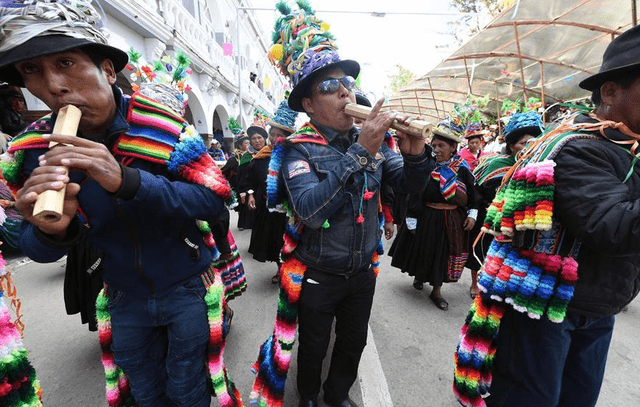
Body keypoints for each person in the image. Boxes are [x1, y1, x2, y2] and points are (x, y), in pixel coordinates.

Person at [0, 1, 241, 406]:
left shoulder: (165, 129)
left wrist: (127, 181)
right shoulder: (29, 151)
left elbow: (215, 202)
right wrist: (51, 230)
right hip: (120, 294)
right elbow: (35, 249)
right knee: (144, 392)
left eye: (66, 62)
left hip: (185, 287)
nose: (53, 85)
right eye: (32, 71)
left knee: (188, 389)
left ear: (108, 70)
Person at [250, 5, 435, 407]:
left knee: (353, 342)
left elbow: (409, 187)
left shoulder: (380, 143)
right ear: (309, 106)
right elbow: (312, 211)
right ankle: (309, 396)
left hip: (363, 270)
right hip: (318, 271)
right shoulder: (298, 149)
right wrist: (361, 152)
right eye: (330, 86)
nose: (345, 92)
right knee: (314, 345)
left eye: (347, 83)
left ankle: (337, 396)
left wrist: (418, 152)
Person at [454, 24, 640, 407]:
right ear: (609, 91)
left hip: (597, 309)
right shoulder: (580, 148)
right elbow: (616, 228)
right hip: (546, 310)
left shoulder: (629, 150)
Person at [390, 123, 480, 311]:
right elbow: (415, 192)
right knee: (425, 250)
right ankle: (420, 276)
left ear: (453, 148)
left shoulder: (461, 169)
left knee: (444, 255)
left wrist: (472, 214)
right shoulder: (426, 166)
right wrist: (412, 217)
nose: (436, 149)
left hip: (452, 219)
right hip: (427, 216)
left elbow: (473, 194)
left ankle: (436, 291)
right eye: (434, 145)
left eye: (442, 146)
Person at [466, 111, 544, 298]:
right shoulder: (496, 164)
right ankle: (475, 283)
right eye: (523, 143)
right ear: (511, 146)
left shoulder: (540, 168)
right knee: (480, 250)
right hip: (488, 216)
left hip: (517, 223)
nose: (528, 147)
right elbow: (476, 190)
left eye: (533, 143)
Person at [246, 100, 297, 283]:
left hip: (290, 207)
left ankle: (291, 268)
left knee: (290, 240)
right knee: (275, 240)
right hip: (270, 208)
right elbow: (252, 180)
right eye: (272, 135)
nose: (275, 139)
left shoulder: (295, 154)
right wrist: (251, 194)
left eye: (279, 135)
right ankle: (279, 268)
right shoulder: (261, 157)